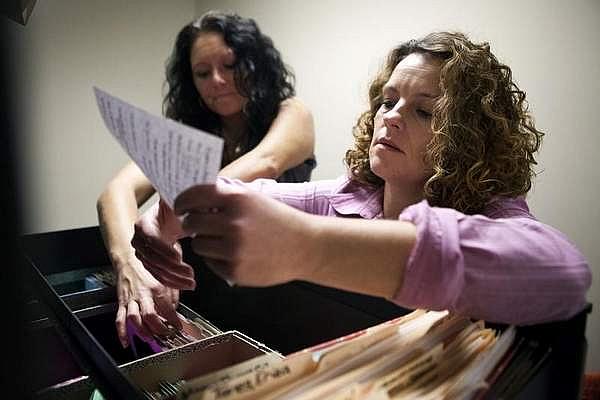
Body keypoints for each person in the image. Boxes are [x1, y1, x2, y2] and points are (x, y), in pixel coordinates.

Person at [133, 31, 591, 327]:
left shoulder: (495, 212)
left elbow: (566, 273)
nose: (390, 118)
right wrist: (172, 212)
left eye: (424, 111)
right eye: (388, 101)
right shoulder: (349, 196)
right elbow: (254, 196)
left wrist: (308, 246)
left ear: (470, 137)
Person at [96, 10, 316, 348]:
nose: (216, 80)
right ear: (192, 83)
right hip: (210, 289)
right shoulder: (185, 134)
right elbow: (117, 191)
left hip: (287, 291)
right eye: (202, 72)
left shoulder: (292, 113)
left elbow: (265, 162)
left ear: (256, 64)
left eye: (230, 65)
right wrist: (131, 264)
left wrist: (164, 229)